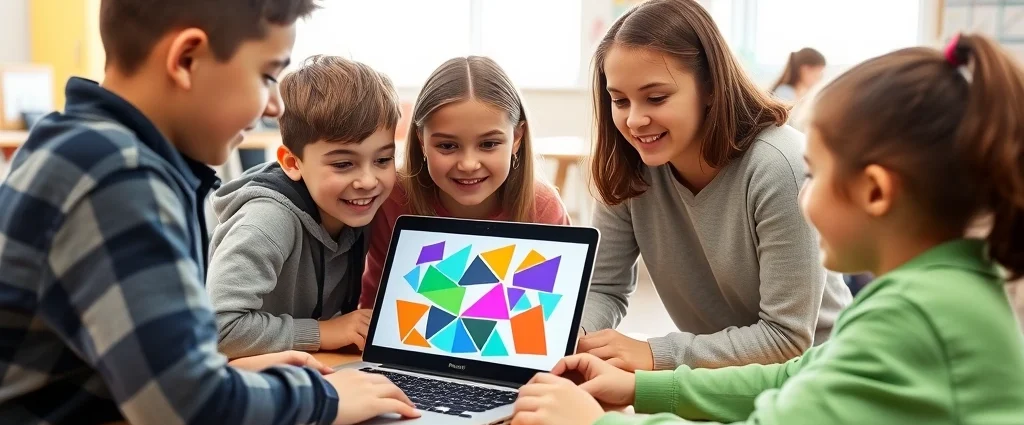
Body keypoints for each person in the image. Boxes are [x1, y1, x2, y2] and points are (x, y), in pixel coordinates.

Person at [513, 32, 1024, 425]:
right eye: (620, 99)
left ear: (874, 191)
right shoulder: (922, 295)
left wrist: (594, 421)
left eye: (817, 174)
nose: (804, 195)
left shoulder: (912, 318)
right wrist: (639, 390)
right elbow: (792, 376)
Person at [0, 1, 419, 424]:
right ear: (186, 60)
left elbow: (149, 366)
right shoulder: (116, 176)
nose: (274, 107)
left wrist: (226, 376)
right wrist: (321, 398)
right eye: (267, 76)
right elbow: (182, 407)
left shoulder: (92, 149)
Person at [576, 0, 851, 372]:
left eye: (656, 98)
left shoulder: (779, 166)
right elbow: (603, 288)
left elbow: (787, 338)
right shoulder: (630, 165)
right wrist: (571, 339)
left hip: (813, 375)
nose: (635, 119)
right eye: (619, 100)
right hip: (713, 377)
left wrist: (656, 353)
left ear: (709, 86)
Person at [207, 55, 399, 359]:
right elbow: (217, 328)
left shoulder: (357, 209)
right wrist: (322, 332)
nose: (367, 180)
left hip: (300, 368)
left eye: (383, 160)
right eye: (343, 164)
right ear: (292, 163)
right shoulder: (266, 222)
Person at [360, 56, 570, 308]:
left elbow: (553, 311)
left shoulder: (542, 207)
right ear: (421, 141)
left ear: (516, 138)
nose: (468, 164)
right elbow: (375, 308)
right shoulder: (393, 200)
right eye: (447, 146)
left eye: (489, 144)